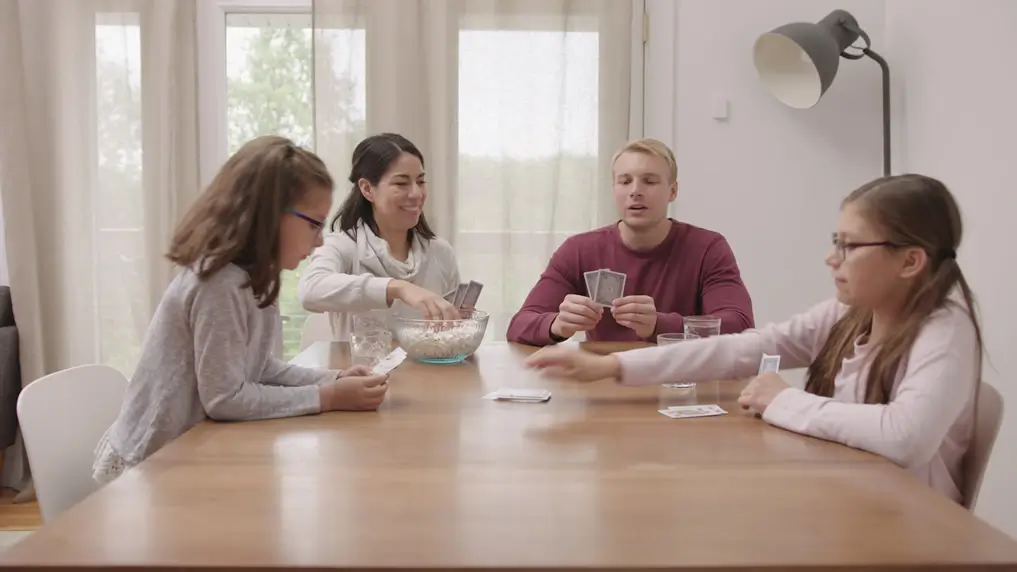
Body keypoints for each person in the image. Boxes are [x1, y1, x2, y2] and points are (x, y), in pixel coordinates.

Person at [526, 174, 983, 504]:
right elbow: (744, 346)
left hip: (910, 525)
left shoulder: (945, 331)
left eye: (850, 245)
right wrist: (616, 366)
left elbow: (905, 438)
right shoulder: (850, 313)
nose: (831, 258)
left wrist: (782, 400)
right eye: (834, 241)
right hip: (852, 496)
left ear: (910, 262)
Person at [92, 136, 390, 484]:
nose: (321, 240)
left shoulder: (254, 277)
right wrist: (326, 397)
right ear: (267, 215)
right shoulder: (219, 284)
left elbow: (258, 367)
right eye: (313, 224)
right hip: (152, 466)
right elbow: (225, 398)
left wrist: (333, 379)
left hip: (195, 452)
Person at [506, 138, 754, 345]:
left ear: (673, 191)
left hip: (682, 382)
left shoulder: (708, 248)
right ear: (614, 189)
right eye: (625, 181)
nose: (635, 191)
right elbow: (519, 325)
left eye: (650, 181)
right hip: (603, 380)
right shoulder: (579, 250)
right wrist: (556, 325)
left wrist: (660, 325)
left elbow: (740, 325)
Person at [298, 133, 461, 340]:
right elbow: (310, 290)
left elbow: (455, 331)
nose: (416, 193)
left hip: (429, 371)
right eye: (401, 183)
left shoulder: (440, 252)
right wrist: (398, 288)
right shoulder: (342, 245)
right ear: (367, 189)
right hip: (361, 371)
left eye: (420, 182)